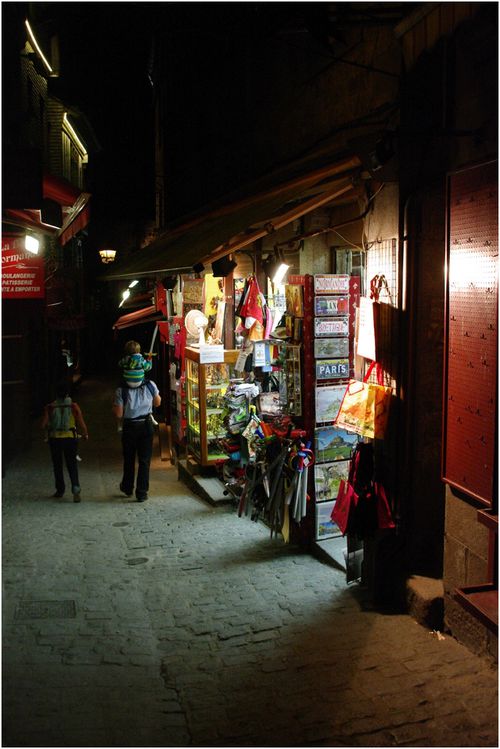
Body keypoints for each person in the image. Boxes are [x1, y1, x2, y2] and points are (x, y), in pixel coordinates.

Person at [113, 378, 161, 502]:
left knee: (129, 459)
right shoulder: (150, 385)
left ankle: (127, 487)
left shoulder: (121, 389)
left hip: (129, 427)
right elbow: (157, 403)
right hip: (146, 425)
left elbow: (119, 413)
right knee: (144, 461)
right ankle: (142, 492)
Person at [42, 382, 88, 502]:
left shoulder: (50, 407)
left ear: (56, 394)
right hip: (70, 438)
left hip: (55, 439)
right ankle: (76, 487)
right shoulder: (73, 406)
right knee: (72, 464)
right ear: (67, 393)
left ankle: (60, 490)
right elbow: (81, 422)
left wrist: (46, 413)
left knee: (57, 465)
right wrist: (85, 434)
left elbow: (44, 425)